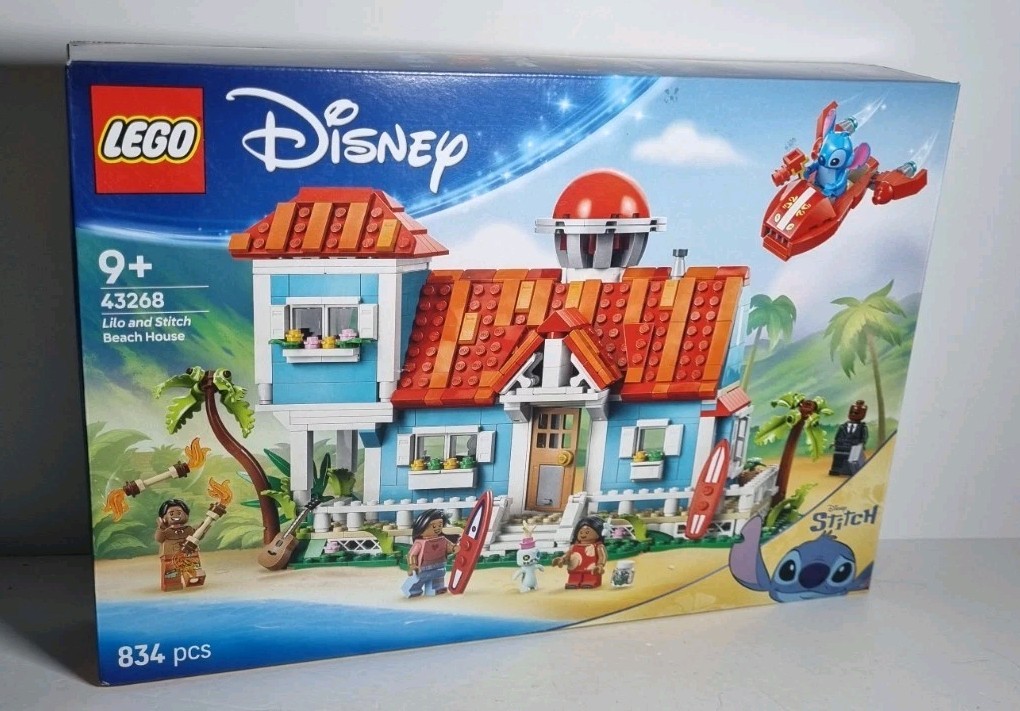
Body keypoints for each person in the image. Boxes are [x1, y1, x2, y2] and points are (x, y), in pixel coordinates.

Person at [401, 509, 458, 598]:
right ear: (421, 527)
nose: (438, 528)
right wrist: (413, 565)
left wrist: (454, 548)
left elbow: (449, 547)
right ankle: (412, 590)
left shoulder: (442, 539)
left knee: (438, 576)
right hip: (423, 567)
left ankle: (435, 588)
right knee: (419, 578)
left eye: (440, 525)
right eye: (434, 526)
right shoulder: (420, 543)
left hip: (439, 564)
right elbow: (412, 554)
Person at [551, 516, 607, 589]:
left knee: (590, 576)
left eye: (587, 532)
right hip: (575, 567)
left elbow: (602, 556)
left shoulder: (598, 546)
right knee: (574, 575)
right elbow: (568, 555)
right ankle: (573, 582)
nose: (583, 535)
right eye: (581, 532)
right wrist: (562, 559)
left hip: (592, 568)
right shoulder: (573, 547)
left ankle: (590, 581)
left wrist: (600, 565)